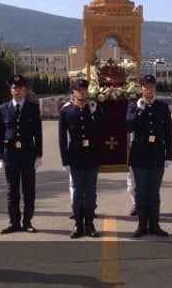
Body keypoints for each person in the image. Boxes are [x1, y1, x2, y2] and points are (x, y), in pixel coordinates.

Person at [58, 78, 106, 238]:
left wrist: (93, 113)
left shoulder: (94, 108)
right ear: (74, 92)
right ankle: (78, 225)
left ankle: (90, 225)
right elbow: (62, 138)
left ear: (87, 91)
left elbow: (102, 129)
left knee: (91, 191)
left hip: (91, 155)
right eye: (78, 90)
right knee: (78, 191)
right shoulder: (67, 111)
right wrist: (65, 160)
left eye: (84, 90)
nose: (81, 93)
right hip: (76, 156)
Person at [126, 74, 172, 237]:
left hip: (157, 154)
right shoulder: (134, 106)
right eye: (145, 87)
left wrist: (169, 155)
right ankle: (141, 226)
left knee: (154, 191)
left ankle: (154, 225)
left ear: (155, 88)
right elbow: (129, 126)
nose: (148, 89)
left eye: (151, 86)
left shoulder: (162, 107)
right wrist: (140, 110)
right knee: (141, 192)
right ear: (141, 89)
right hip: (139, 153)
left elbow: (168, 133)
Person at [0, 74, 43, 234]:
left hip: (28, 153)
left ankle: (27, 222)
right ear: (11, 90)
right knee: (12, 190)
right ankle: (14, 222)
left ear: (25, 89)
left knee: (29, 190)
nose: (16, 90)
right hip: (10, 155)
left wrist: (39, 155)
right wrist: (0, 157)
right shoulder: (3, 109)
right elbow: (0, 135)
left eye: (20, 87)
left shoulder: (33, 107)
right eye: (14, 88)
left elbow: (38, 133)